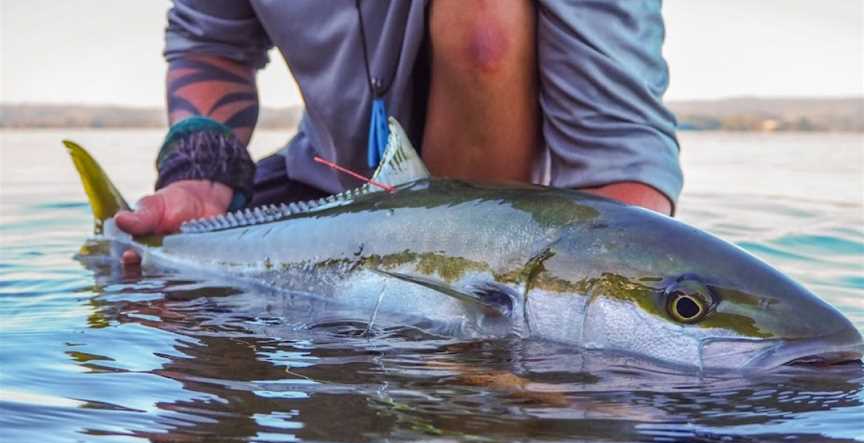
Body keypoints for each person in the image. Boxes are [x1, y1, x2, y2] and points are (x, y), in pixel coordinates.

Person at [117, 1, 682, 264]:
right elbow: (213, 42)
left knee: (485, 17)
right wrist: (201, 174)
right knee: (155, 285)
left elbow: (619, 152)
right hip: (323, 185)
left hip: (526, 228)